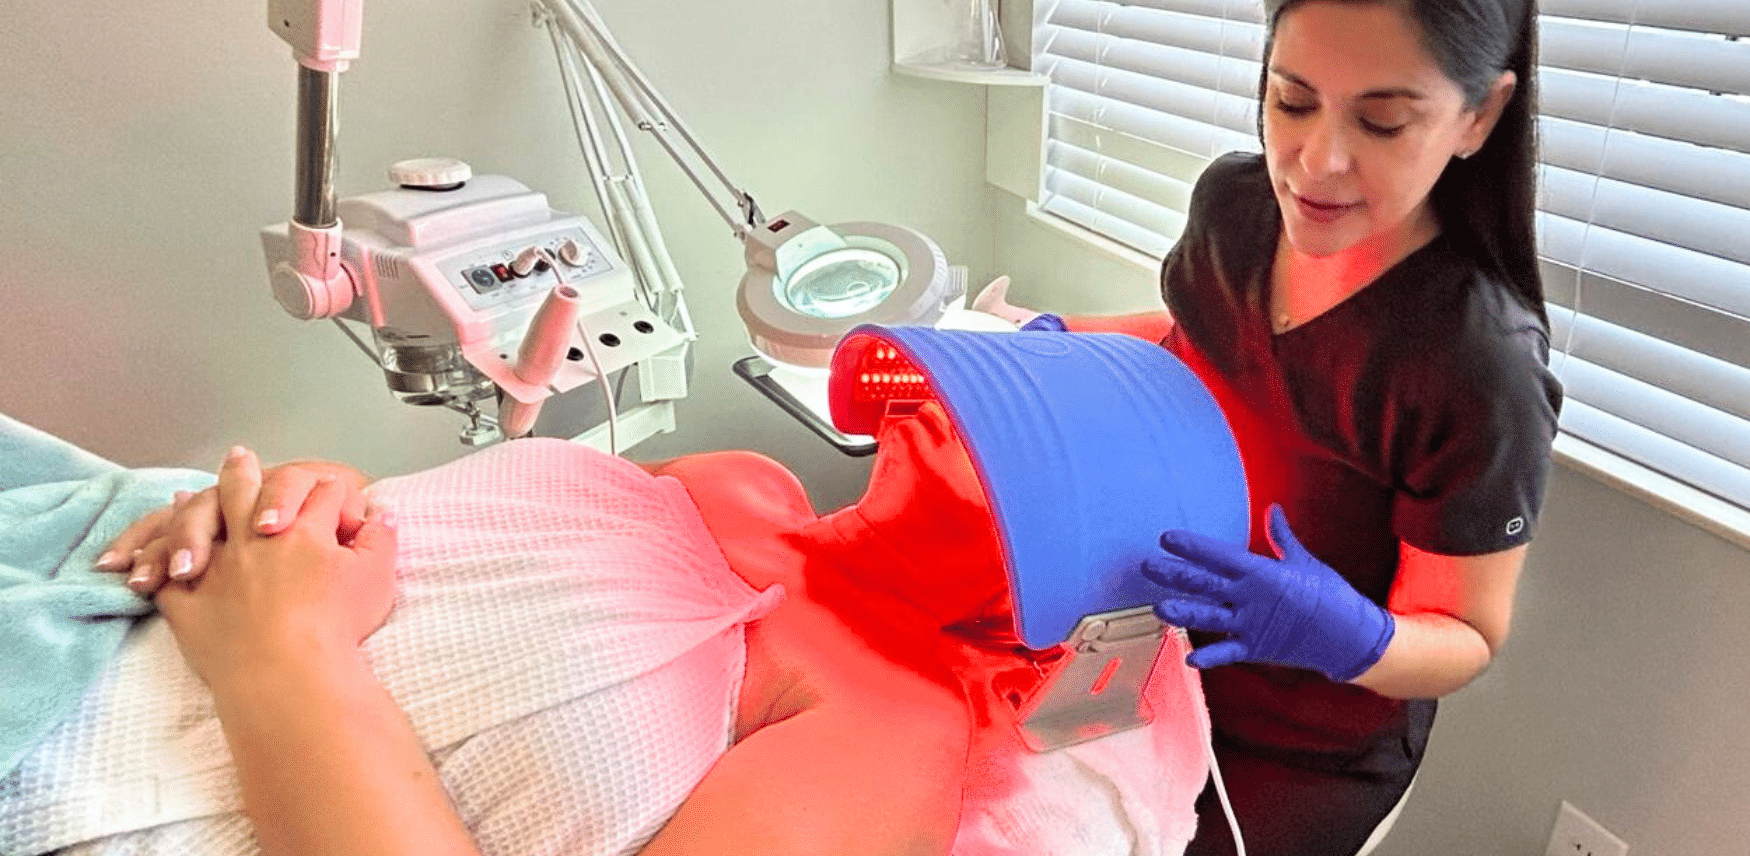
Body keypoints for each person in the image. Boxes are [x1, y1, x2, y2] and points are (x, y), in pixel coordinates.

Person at [41, 328, 1230, 856]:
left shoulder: (893, 736)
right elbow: (449, 540)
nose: (939, 420)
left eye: (1008, 445)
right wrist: (308, 501)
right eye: (970, 391)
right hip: (83, 582)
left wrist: (283, 659)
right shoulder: (738, 478)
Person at [974, 0, 1563, 856]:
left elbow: (1464, 636)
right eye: (1291, 99)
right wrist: (1053, 350)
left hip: (1306, 745)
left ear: (1478, 115)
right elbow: (1194, 344)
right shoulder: (1235, 210)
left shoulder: (1475, 366)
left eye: (1382, 122)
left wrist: (1349, 633)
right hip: (1147, 651)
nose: (1316, 164)